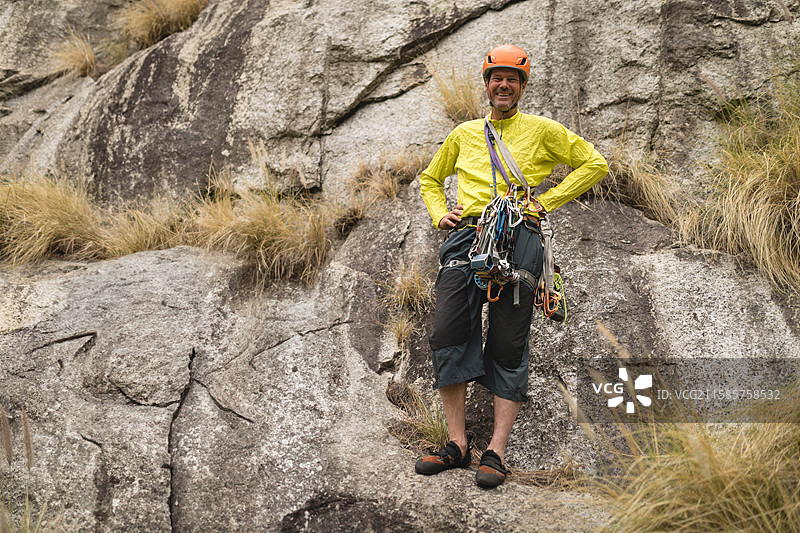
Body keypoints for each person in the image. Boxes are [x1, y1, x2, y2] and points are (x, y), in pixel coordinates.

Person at [415, 44, 608, 487]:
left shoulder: (542, 130)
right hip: (467, 235)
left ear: (522, 87)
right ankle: (457, 445)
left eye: (512, 80)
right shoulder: (464, 134)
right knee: (448, 332)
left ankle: (496, 452)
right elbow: (430, 178)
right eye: (496, 78)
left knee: (508, 340)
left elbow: (594, 163)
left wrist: (547, 201)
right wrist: (438, 212)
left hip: (520, 235)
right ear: (486, 85)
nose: (503, 85)